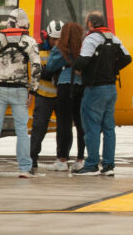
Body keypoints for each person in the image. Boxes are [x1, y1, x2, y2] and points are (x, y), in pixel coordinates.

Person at [0, 8, 40, 178]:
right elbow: (36, 66)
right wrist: (33, 90)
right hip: (19, 88)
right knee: (21, 129)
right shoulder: (28, 41)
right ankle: (25, 168)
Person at [73, 12, 131, 176]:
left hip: (95, 89)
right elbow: (127, 58)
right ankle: (108, 165)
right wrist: (113, 69)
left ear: (90, 23)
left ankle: (91, 164)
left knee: (91, 127)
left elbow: (83, 60)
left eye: (87, 22)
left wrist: (75, 66)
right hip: (111, 88)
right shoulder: (113, 38)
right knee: (108, 128)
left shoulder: (91, 39)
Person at [45, 21, 85, 172]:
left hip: (64, 86)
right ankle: (80, 159)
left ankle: (63, 159)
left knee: (64, 124)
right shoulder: (84, 48)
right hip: (80, 86)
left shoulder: (61, 49)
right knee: (81, 125)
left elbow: (50, 67)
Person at [30, 20, 61, 172]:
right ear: (47, 37)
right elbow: (36, 71)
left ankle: (62, 158)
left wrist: (48, 71)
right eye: (53, 39)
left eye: (59, 39)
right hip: (43, 95)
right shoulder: (38, 49)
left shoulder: (64, 50)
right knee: (39, 128)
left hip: (60, 96)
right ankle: (32, 159)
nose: (56, 42)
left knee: (63, 130)